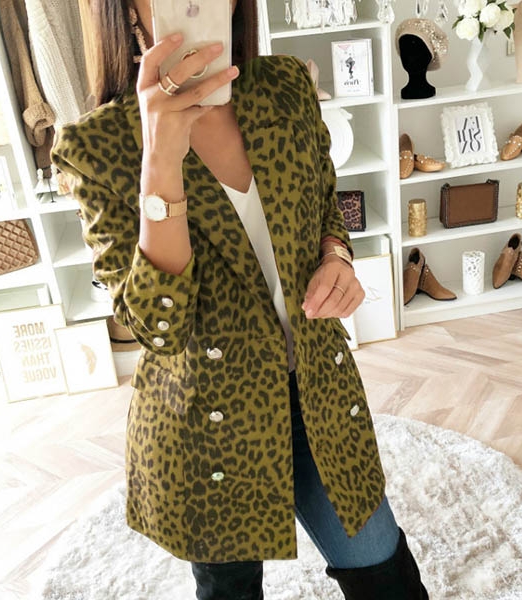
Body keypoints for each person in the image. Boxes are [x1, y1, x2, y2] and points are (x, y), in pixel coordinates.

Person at [52, 1, 429, 598]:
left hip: (318, 389)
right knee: (230, 592)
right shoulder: (96, 146)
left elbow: (324, 200)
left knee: (386, 573)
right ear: (126, 10)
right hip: (208, 423)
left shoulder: (286, 86)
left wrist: (337, 255)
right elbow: (157, 327)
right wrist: (160, 160)